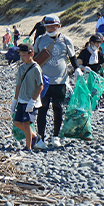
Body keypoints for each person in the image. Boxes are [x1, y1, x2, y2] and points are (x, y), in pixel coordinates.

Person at [32, 15, 79, 148]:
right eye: (48, 26)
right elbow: (34, 56)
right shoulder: (40, 40)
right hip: (43, 81)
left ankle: (56, 136)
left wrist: (77, 69)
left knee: (58, 108)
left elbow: (72, 57)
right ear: (45, 27)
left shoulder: (66, 40)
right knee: (42, 109)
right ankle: (41, 138)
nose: (50, 28)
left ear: (59, 26)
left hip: (61, 81)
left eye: (53, 26)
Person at [12, 44, 45, 151]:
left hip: (31, 101)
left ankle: (28, 147)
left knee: (26, 123)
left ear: (31, 54)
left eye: (24, 55)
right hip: (21, 99)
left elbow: (41, 85)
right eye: (20, 55)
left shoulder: (36, 68)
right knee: (17, 123)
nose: (22, 57)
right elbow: (18, 85)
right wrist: (15, 100)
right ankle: (35, 137)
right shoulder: (21, 68)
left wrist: (33, 100)